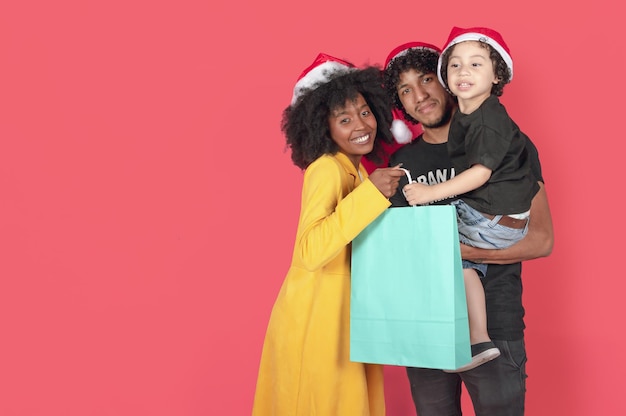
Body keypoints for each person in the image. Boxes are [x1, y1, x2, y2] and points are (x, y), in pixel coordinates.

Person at [383, 39, 553, 415]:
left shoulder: (511, 143)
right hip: (426, 329)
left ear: (447, 79)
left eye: (426, 79)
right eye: (405, 89)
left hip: (496, 326)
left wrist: (461, 252)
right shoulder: (400, 162)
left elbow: (541, 239)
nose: (419, 96)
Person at [252, 53, 406, 416]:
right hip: (319, 318)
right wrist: (372, 196)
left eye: (365, 112)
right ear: (324, 128)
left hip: (347, 316)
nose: (360, 124)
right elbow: (309, 250)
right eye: (344, 118)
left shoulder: (358, 172)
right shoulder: (325, 169)